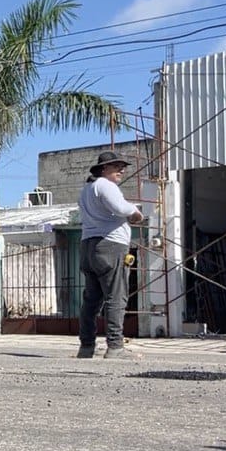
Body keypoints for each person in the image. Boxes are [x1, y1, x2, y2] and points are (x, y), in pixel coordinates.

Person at [77, 150, 144, 360]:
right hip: (110, 245)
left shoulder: (86, 189)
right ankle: (115, 346)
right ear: (104, 169)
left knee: (91, 300)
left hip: (89, 246)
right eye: (116, 166)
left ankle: (86, 346)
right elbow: (120, 207)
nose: (121, 170)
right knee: (116, 296)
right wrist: (136, 213)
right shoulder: (105, 185)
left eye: (122, 167)